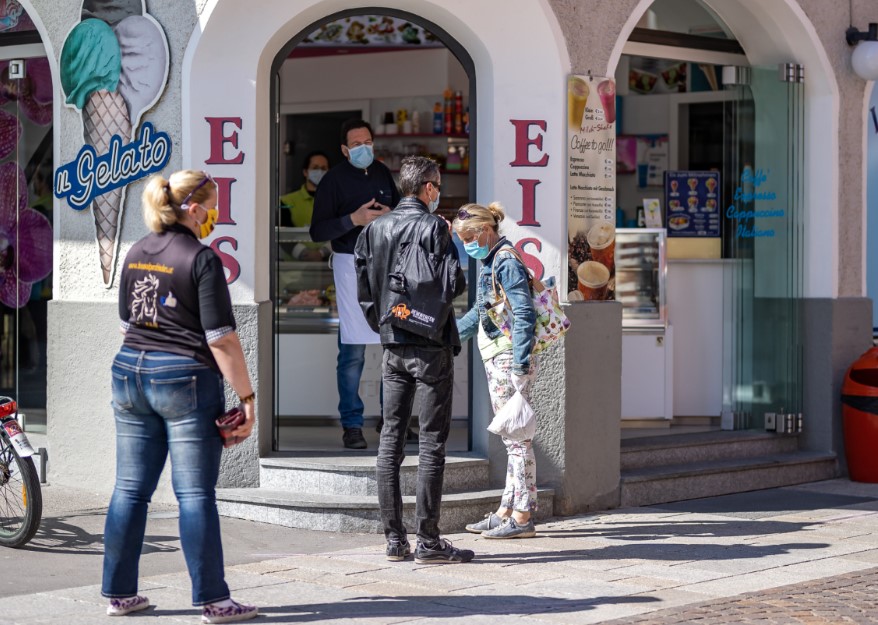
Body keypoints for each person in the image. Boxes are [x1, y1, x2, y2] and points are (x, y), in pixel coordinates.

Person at [102, 170, 258, 623]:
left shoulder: (136, 251)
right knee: (194, 494)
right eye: (211, 206)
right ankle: (214, 600)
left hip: (129, 372)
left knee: (130, 489)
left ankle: (119, 593)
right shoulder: (201, 258)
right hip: (184, 379)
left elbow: (126, 325)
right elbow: (222, 339)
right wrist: (247, 399)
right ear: (192, 208)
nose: (214, 215)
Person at [355, 155, 473, 564]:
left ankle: (394, 540)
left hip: (393, 343)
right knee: (432, 442)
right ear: (427, 188)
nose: (438, 191)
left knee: (390, 440)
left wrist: (386, 325)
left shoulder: (374, 229)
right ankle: (428, 540)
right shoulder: (435, 227)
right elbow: (453, 283)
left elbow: (365, 289)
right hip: (431, 345)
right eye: (437, 185)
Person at [453, 202, 540, 539]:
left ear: (485, 231)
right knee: (513, 438)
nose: (466, 245)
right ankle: (509, 508)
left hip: (507, 358)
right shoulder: (494, 259)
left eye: (468, 238)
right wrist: (451, 336)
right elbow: (481, 310)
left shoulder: (504, 261)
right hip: (502, 356)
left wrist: (519, 364)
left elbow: (524, 313)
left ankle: (521, 518)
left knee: (517, 439)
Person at [310, 119, 398, 450]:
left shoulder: (382, 172)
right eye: (356, 144)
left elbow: (402, 212)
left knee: (394, 349)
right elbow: (317, 232)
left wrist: (391, 213)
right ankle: (352, 424)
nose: (364, 148)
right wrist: (353, 220)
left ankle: (392, 420)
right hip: (349, 268)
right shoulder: (332, 181)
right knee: (352, 354)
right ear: (345, 150)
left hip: (386, 265)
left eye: (368, 142)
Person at [279, 150, 332, 262]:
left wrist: (322, 253)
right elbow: (282, 234)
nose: (319, 171)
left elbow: (342, 231)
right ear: (305, 172)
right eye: (315, 168)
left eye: (323, 168)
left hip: (328, 272)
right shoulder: (286, 201)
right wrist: (305, 253)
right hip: (293, 274)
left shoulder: (337, 201)